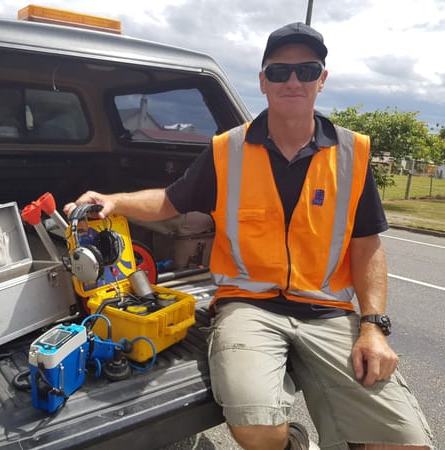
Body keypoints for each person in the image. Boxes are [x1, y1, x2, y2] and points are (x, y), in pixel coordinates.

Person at [64, 22, 434, 450]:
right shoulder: (228, 149)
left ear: (322, 80)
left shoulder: (353, 153)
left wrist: (372, 327)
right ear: (262, 81)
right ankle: (293, 442)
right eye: (279, 72)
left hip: (328, 310)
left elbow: (367, 244)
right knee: (257, 430)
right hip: (249, 306)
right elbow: (170, 201)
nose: (292, 81)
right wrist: (114, 200)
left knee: (403, 441)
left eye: (306, 70)